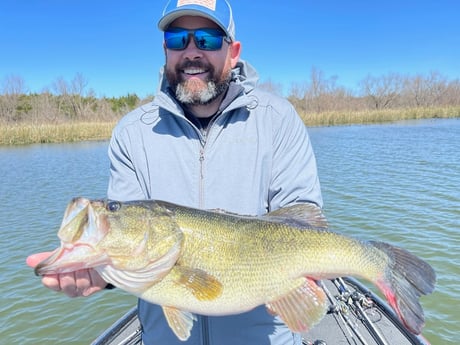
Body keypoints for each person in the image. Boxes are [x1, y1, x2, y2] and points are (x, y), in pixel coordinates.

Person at [27, 0, 323, 344]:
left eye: (208, 39)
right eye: (177, 38)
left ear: (233, 51)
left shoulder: (278, 119)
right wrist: (101, 273)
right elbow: (133, 241)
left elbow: (303, 220)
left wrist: (300, 288)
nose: (192, 51)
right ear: (165, 49)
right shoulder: (132, 132)